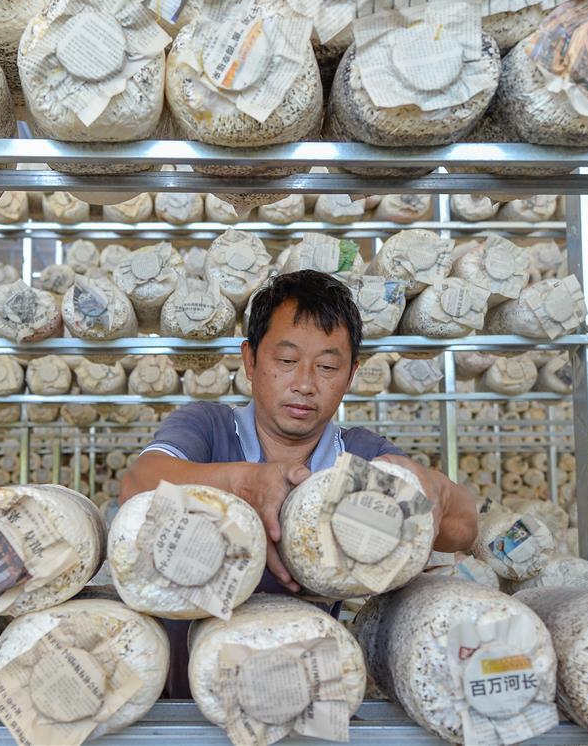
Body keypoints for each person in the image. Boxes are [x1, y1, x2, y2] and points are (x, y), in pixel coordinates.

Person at [120, 269, 478, 696]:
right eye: (287, 361)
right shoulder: (207, 428)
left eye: (327, 366)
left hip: (299, 694)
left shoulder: (359, 456)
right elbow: (137, 485)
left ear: (351, 374)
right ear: (251, 360)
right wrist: (242, 482)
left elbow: (464, 529)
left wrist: (437, 492)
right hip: (188, 700)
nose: (305, 384)